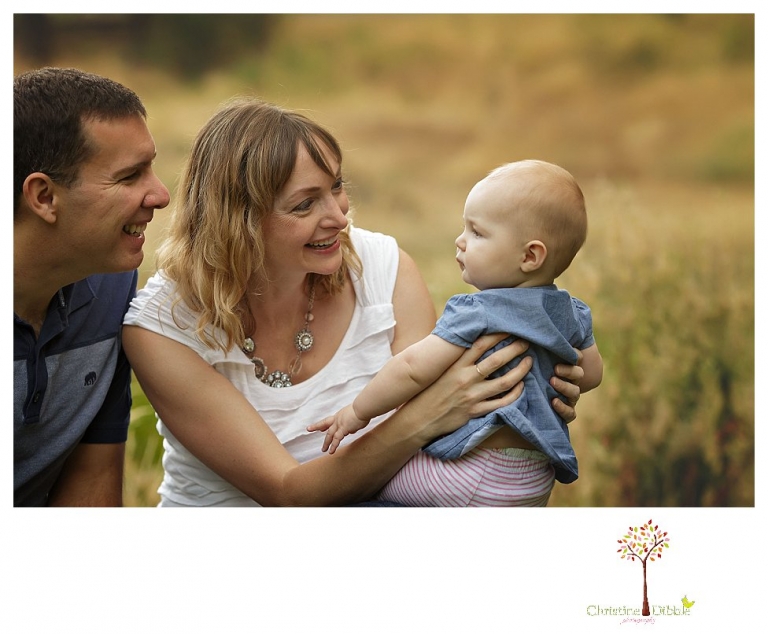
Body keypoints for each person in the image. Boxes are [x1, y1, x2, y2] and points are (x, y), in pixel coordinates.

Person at [122, 98, 584, 507]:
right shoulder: (162, 326)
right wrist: (425, 417)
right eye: (305, 205)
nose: (339, 217)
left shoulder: (384, 266)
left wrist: (537, 386)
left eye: (337, 187)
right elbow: (287, 493)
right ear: (237, 222)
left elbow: (451, 400)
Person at [310, 160, 603, 506]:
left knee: (363, 490)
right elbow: (591, 375)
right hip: (534, 479)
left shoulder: (476, 311)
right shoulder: (573, 311)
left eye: (477, 233)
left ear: (530, 256)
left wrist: (358, 412)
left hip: (472, 472)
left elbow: (413, 368)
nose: (460, 241)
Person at [13, 67, 171, 506]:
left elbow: (92, 485)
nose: (161, 195)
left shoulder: (114, 289)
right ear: (44, 197)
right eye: (129, 176)